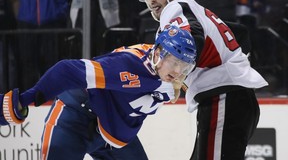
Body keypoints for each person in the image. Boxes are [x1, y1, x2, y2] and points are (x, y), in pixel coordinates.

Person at [0, 25, 197, 160]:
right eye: (175, 62)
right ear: (158, 53)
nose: (179, 71)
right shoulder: (127, 67)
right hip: (76, 116)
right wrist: (25, 99)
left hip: (110, 132)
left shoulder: (171, 73)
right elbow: (67, 70)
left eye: (184, 65)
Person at [137, 0, 268, 160]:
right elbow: (240, 32)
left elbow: (191, 36)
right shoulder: (197, 11)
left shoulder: (175, 10)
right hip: (232, 99)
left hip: (223, 98)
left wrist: (177, 71)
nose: (151, 0)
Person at [8, 0, 70, 91]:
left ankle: (54, 100)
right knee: (27, 63)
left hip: (52, 21)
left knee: (53, 64)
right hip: (27, 21)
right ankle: (30, 101)